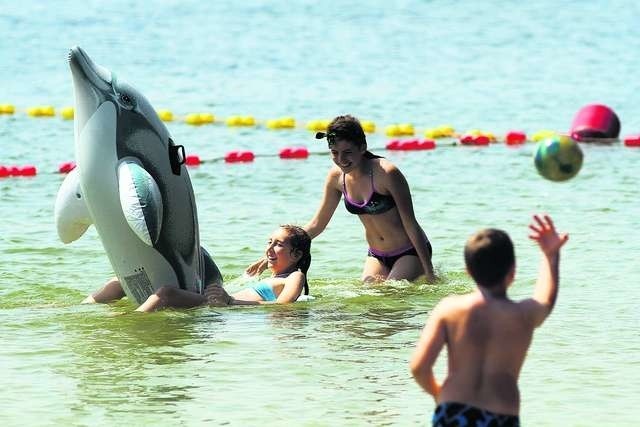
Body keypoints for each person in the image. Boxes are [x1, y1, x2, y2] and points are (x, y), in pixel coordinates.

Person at [409, 214, 568, 427]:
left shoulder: (449, 309)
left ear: (469, 272)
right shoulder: (522, 314)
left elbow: (419, 367)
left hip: (452, 411)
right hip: (500, 417)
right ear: (512, 272)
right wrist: (551, 255)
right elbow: (545, 300)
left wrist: (439, 394)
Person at [246, 114, 434, 283]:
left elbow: (411, 224)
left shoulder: (387, 173)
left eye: (347, 152)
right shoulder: (336, 178)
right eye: (335, 153)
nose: (341, 159)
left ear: (362, 147)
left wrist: (429, 272)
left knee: (392, 296)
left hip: (409, 252)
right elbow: (316, 224)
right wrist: (272, 254)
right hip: (376, 254)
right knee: (371, 303)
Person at [82, 225, 311, 311]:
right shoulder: (273, 274)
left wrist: (230, 301)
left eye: (278, 244)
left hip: (215, 305)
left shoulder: (296, 277)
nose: (269, 247)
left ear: (297, 254)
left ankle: (134, 322)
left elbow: (284, 306)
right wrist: (267, 259)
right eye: (268, 242)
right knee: (122, 281)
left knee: (166, 293)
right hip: (212, 297)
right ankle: (79, 307)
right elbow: (274, 264)